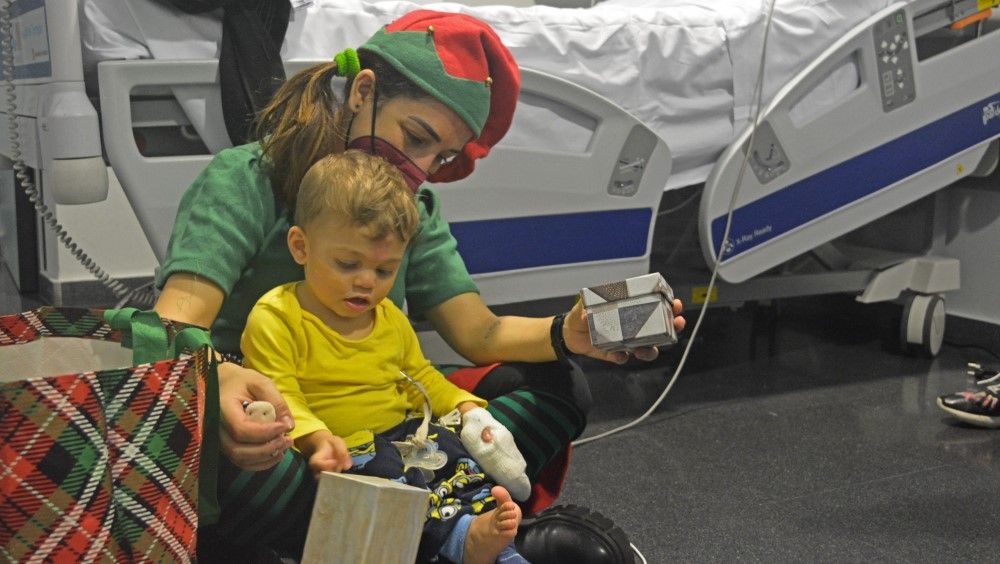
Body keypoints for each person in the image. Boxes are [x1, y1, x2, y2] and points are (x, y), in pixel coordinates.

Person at [151, 9, 686, 560]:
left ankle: (440, 530)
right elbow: (174, 328)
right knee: (218, 448)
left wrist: (572, 330)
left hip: (386, 422)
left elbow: (480, 331)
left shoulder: (414, 208)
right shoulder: (247, 179)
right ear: (363, 90)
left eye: (442, 156)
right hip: (288, 422)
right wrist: (227, 387)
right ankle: (446, 537)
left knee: (560, 386)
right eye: (417, 136)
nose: (422, 166)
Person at [241, 150, 528, 563]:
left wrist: (468, 409)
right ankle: (462, 539)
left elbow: (420, 377)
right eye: (347, 263)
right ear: (301, 246)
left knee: (460, 467)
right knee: (393, 487)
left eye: (384, 271)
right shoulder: (277, 317)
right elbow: (281, 394)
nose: (365, 282)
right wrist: (318, 440)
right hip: (346, 452)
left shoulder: (388, 317)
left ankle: (493, 546)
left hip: (407, 435)